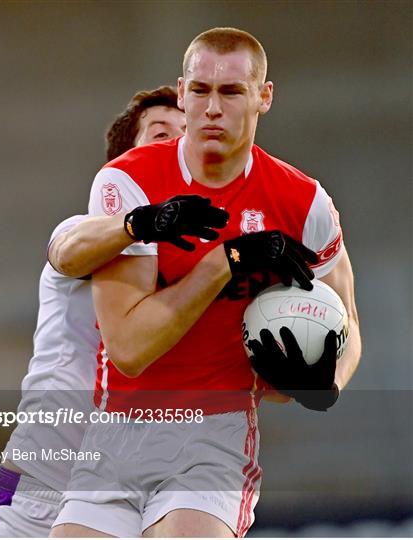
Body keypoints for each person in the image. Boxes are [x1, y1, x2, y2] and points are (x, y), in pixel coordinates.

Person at [51, 27, 361, 538]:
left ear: (263, 97)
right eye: (200, 91)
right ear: (181, 93)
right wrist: (224, 262)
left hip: (213, 436)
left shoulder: (304, 204)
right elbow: (129, 348)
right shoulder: (129, 184)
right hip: (115, 435)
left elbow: (347, 319)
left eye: (231, 91)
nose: (212, 108)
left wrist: (327, 382)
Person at [0, 86, 228, 538]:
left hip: (133, 492)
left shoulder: (207, 268)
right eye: (162, 134)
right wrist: (139, 221)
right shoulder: (90, 230)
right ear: (123, 162)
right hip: (44, 486)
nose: (177, 148)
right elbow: (66, 253)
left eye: (187, 136)